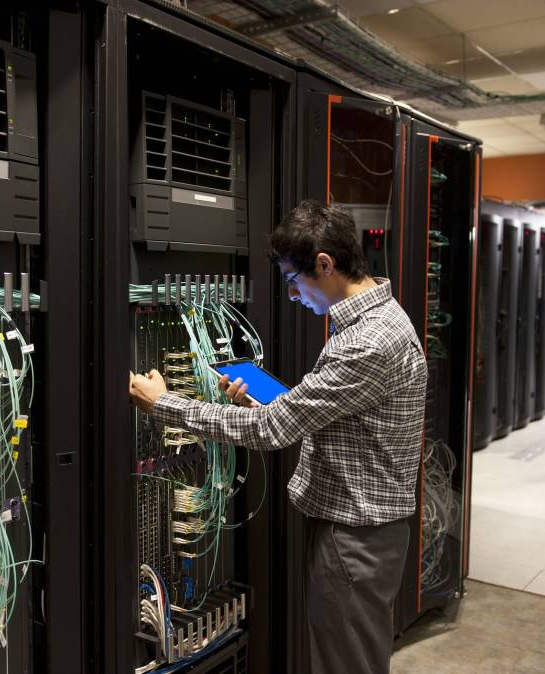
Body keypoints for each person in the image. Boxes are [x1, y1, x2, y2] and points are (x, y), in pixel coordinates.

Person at [129, 199, 426, 674]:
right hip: (364, 532)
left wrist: (164, 404)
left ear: (325, 265)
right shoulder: (384, 319)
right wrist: (269, 403)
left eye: (293, 280)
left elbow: (273, 432)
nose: (291, 295)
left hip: (354, 539)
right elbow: (334, 415)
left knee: (345, 666)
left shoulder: (366, 341)